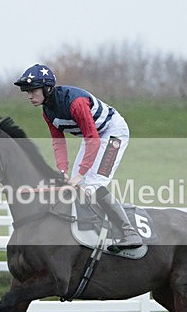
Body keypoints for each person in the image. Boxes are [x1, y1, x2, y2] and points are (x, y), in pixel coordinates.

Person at [14, 63, 142, 250]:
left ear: (47, 88)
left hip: (112, 133)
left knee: (92, 185)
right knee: (77, 187)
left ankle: (129, 232)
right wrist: (63, 171)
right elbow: (58, 142)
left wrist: (81, 174)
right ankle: (92, 228)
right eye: (27, 92)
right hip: (92, 137)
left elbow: (93, 139)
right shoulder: (47, 112)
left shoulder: (76, 103)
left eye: (33, 91)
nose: (29, 96)